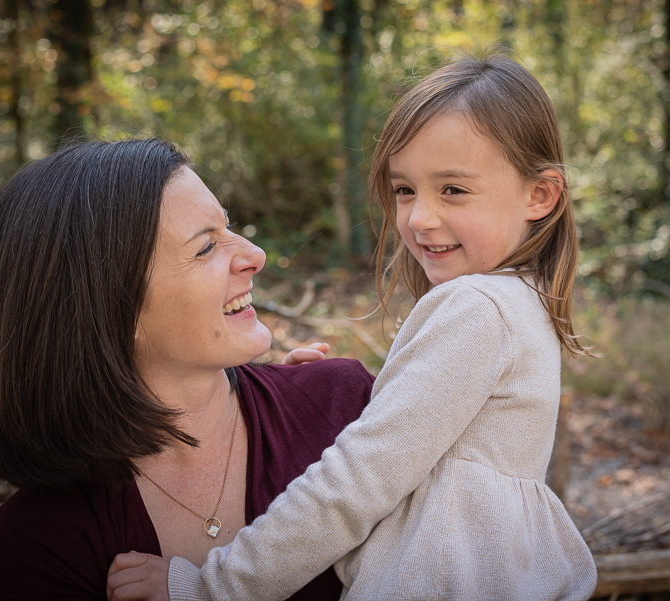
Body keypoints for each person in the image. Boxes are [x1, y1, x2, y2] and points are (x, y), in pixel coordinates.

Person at [108, 53, 599, 601]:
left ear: (540, 195)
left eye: (453, 190)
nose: (418, 218)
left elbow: (358, 482)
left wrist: (207, 588)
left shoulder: (477, 306)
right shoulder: (519, 303)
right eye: (405, 190)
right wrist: (291, 396)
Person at [0, 137, 376, 600]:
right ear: (111, 310)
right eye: (205, 248)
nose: (254, 255)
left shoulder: (345, 409)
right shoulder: (42, 544)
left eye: (229, 227)